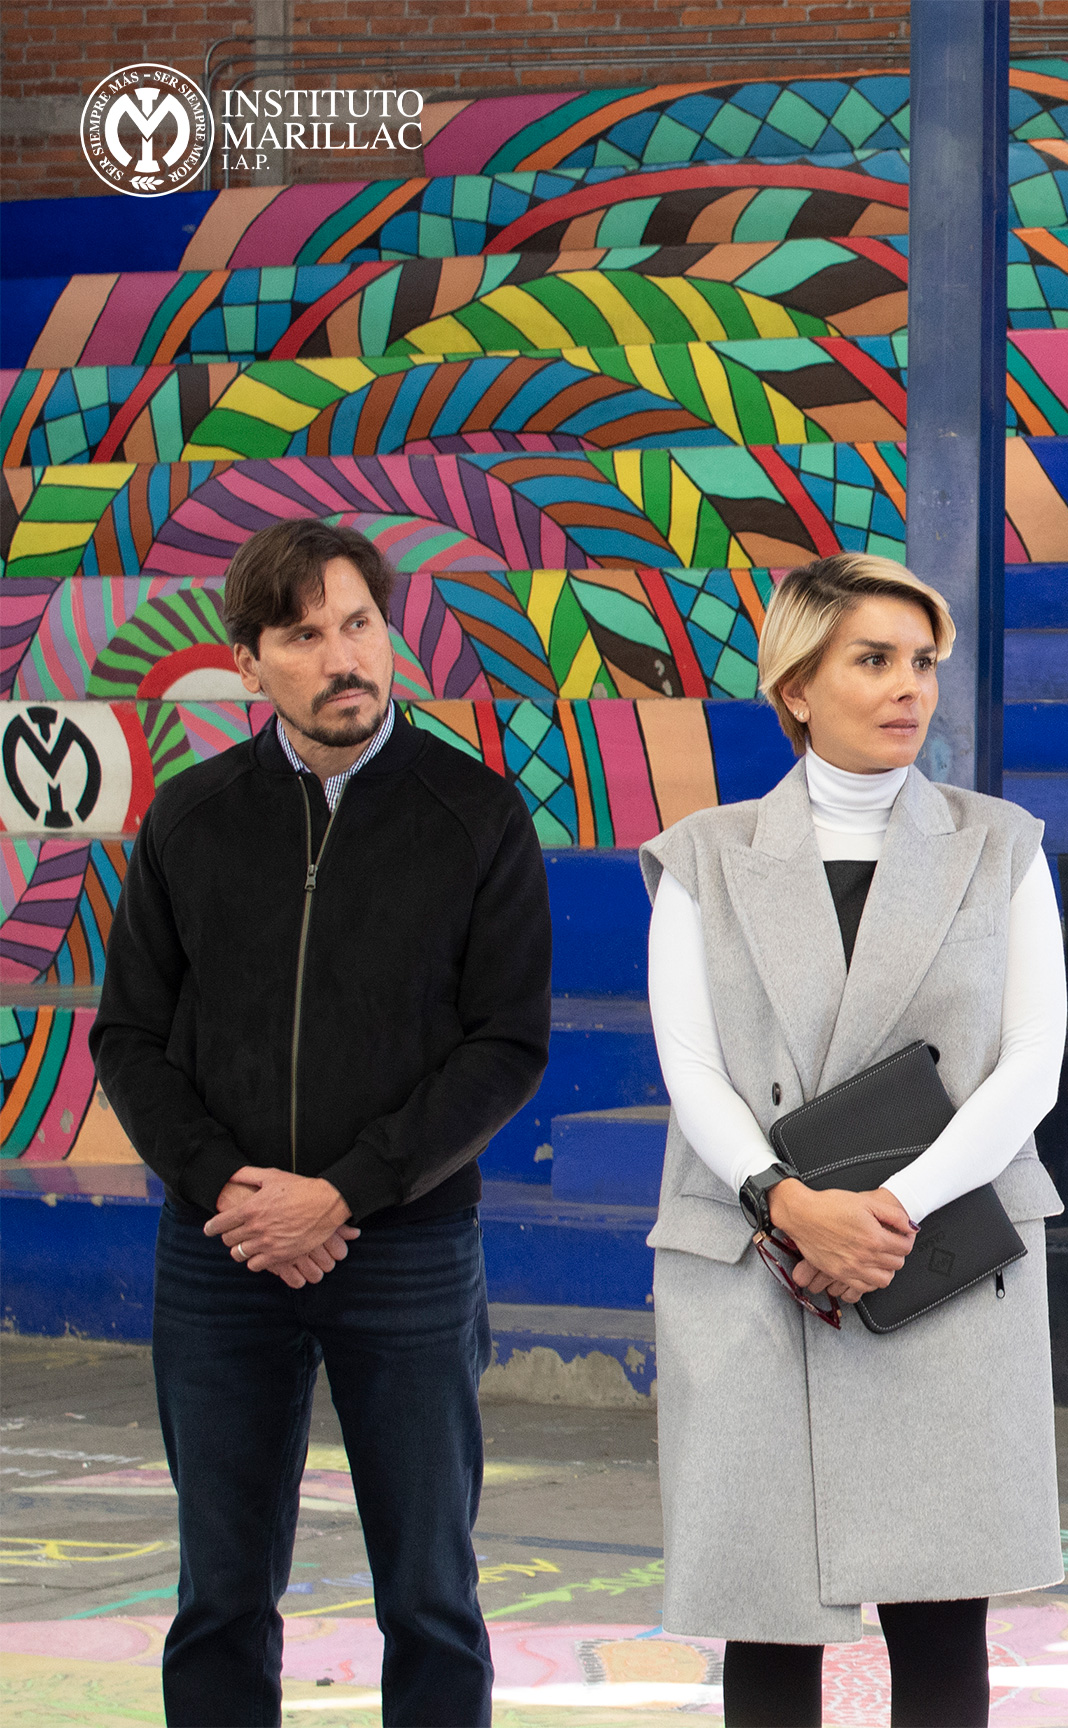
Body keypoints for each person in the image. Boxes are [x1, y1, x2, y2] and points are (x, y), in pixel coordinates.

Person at [91, 519, 552, 1728]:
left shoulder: (476, 815)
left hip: (407, 1249)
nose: (342, 658)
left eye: (359, 624)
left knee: (432, 1595)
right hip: (222, 1253)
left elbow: (505, 1046)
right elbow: (129, 1037)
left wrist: (345, 1191)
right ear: (250, 664)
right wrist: (226, 1189)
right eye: (303, 637)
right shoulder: (191, 817)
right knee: (220, 1595)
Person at [641, 553, 1066, 1728]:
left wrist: (889, 1214)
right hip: (754, 1266)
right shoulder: (703, 856)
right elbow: (692, 1068)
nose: (909, 686)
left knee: (943, 1624)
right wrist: (790, 1204)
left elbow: (1030, 1063)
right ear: (796, 685)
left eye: (922, 661)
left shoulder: (1000, 844)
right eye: (873, 660)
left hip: (942, 1263)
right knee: (766, 1622)